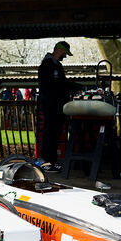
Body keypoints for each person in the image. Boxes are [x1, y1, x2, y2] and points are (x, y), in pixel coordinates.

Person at [37, 40, 79, 172]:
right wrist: (73, 86)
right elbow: (57, 84)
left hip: (59, 106)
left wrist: (74, 86)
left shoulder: (57, 66)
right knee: (49, 133)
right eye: (65, 53)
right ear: (59, 50)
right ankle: (46, 162)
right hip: (51, 105)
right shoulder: (46, 65)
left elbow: (62, 83)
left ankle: (52, 161)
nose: (65, 56)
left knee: (55, 134)